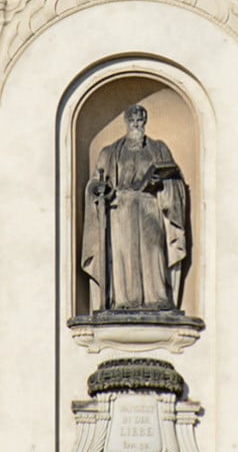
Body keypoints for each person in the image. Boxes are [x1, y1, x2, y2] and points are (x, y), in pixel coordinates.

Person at [81, 103, 189, 312]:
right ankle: (123, 301)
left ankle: (157, 299)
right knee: (123, 255)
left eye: (140, 120)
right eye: (132, 120)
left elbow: (174, 180)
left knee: (155, 250)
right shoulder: (110, 152)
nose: (137, 124)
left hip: (150, 205)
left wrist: (163, 182)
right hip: (120, 210)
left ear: (145, 122)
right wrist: (99, 189)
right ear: (126, 122)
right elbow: (94, 183)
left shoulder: (158, 148)